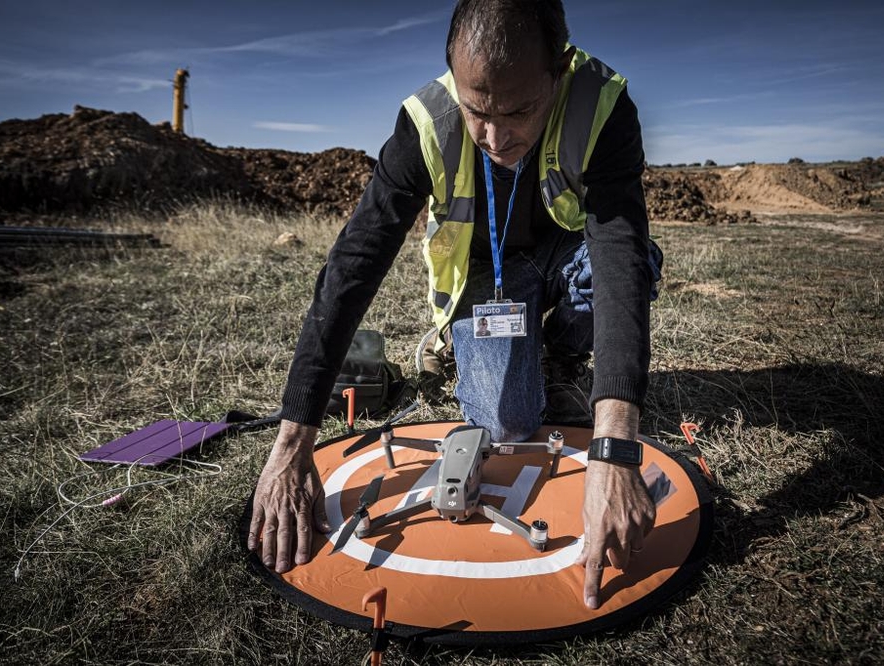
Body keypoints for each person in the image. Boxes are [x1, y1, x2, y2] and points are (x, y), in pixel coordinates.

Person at [248, 0, 658, 611]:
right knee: (508, 425)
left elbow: (619, 248)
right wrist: (290, 443)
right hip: (488, 277)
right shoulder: (426, 123)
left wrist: (615, 447)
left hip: (571, 252)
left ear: (559, 70)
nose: (495, 138)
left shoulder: (601, 103)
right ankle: (469, 344)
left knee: (627, 267)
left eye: (518, 110)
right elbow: (352, 269)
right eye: (477, 111)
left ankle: (565, 353)